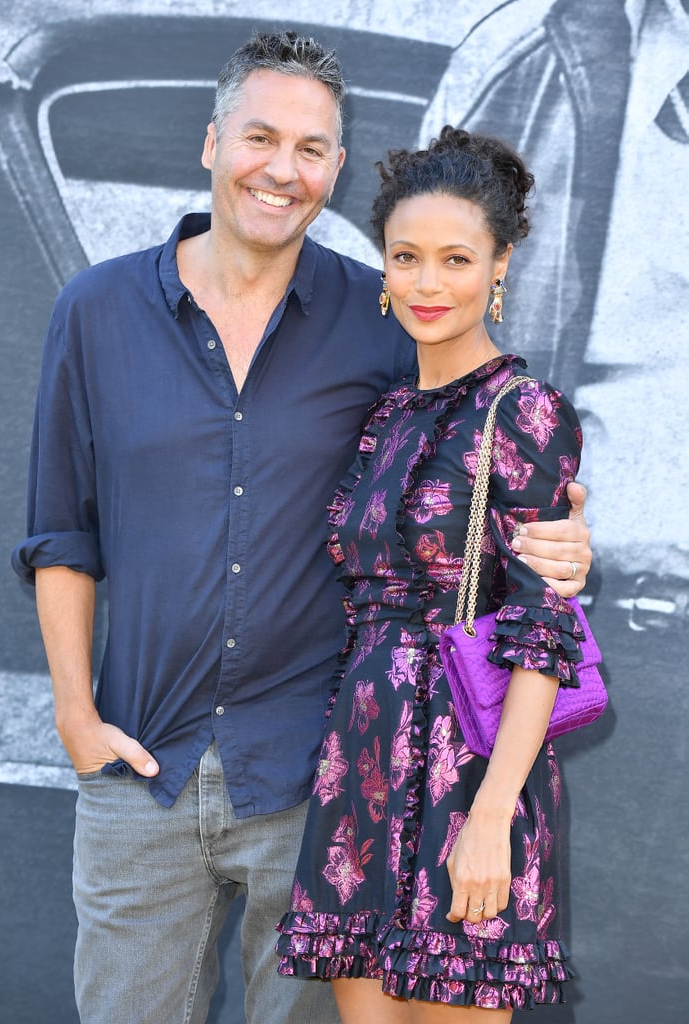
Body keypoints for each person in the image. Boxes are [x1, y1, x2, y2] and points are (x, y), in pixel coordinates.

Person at [11, 31, 592, 1024]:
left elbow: (479, 472)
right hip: (141, 769)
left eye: (312, 148)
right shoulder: (96, 310)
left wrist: (563, 538)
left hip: (316, 780)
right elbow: (63, 530)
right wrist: (76, 714)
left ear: (332, 168)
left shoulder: (382, 332)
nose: (282, 169)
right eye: (260, 137)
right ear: (211, 142)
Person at [276, 126, 591, 1019]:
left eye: (456, 259)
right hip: (360, 765)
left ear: (501, 264)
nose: (426, 283)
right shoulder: (386, 415)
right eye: (406, 257)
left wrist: (494, 814)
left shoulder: (523, 410)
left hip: (471, 770)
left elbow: (542, 630)